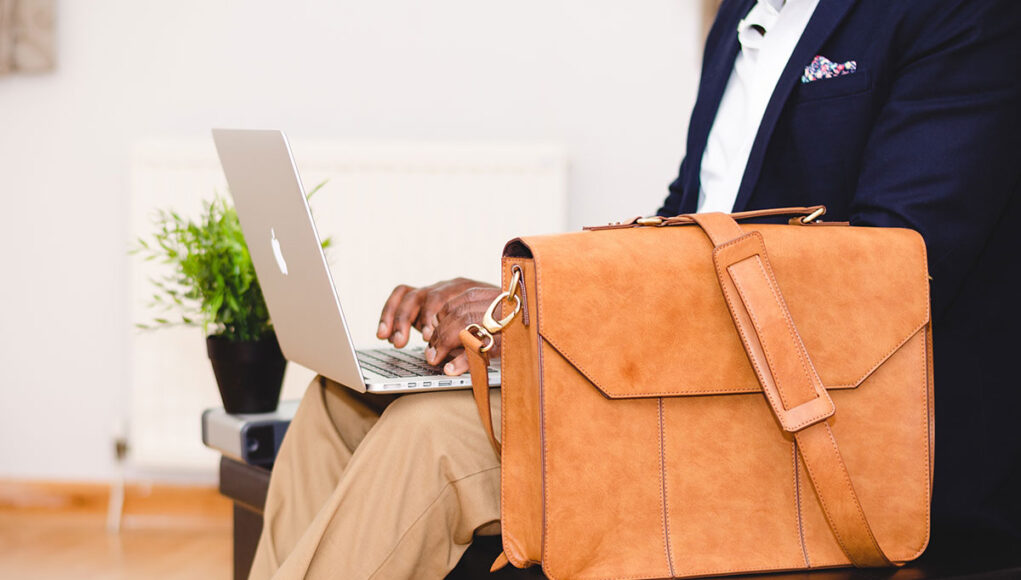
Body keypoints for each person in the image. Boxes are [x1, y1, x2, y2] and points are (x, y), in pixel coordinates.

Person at [249, 0, 1021, 577]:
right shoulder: (739, 20)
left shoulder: (959, 15)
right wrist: (523, 310)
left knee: (432, 442)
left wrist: (551, 312)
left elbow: (880, 282)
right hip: (696, 388)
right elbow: (683, 225)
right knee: (337, 405)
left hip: (822, 425)